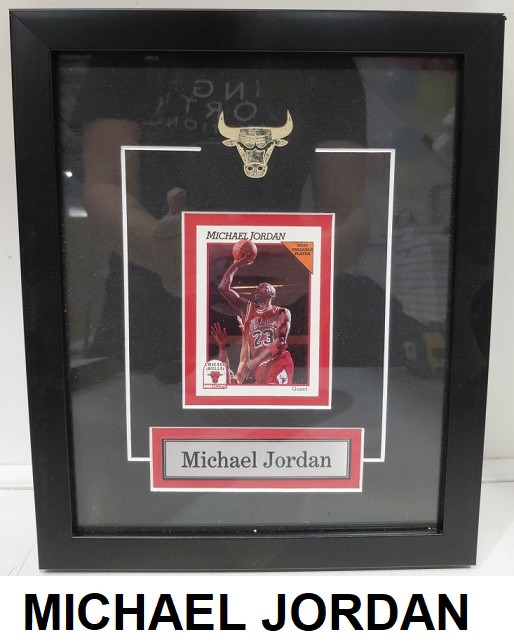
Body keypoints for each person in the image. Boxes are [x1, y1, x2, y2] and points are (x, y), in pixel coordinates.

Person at [218, 254, 294, 385]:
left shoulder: (281, 312)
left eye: (263, 286)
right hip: (259, 367)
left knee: (275, 394)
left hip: (278, 360)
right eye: (257, 288)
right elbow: (223, 288)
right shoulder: (247, 308)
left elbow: (281, 341)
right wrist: (236, 264)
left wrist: (256, 360)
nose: (258, 288)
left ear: (272, 294)